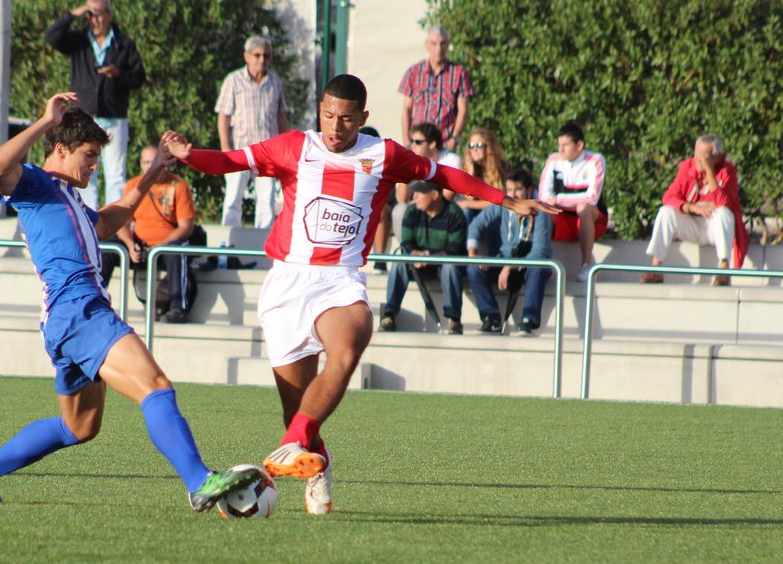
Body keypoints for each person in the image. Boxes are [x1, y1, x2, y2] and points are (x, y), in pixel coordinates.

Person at [164, 74, 556, 516]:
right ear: (320, 111)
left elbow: (444, 173)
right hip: (288, 284)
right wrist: (190, 155)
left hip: (340, 280)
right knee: (297, 408)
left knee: (348, 345)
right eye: (328, 116)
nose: (335, 127)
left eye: (347, 119)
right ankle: (316, 459)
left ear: (363, 117)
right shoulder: (294, 146)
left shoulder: (384, 154)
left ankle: (293, 443)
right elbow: (229, 161)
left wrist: (506, 201)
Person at [0, 92, 256, 511]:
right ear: (61, 150)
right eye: (89, 155)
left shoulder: (68, 197)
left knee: (79, 426)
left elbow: (111, 220)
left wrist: (154, 170)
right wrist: (46, 121)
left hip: (63, 320)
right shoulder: (36, 183)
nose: (95, 165)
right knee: (156, 386)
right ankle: (199, 481)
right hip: (81, 310)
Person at [45, 0, 146, 209]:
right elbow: (52, 37)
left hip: (114, 116)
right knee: (83, 168)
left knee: (115, 174)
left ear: (109, 14)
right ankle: (87, 215)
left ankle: (113, 219)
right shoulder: (79, 40)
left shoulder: (123, 43)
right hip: (84, 117)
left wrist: (118, 74)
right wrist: (75, 13)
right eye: (90, 15)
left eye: (98, 14)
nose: (94, 19)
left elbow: (139, 77)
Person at [639, 134, 747, 286]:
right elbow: (669, 197)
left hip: (713, 227)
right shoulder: (687, 167)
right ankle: (656, 268)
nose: (699, 159)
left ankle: (723, 270)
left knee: (724, 213)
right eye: (697, 153)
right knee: (666, 212)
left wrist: (709, 170)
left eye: (705, 155)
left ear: (717, 157)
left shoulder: (727, 170)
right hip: (691, 224)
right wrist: (692, 207)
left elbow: (723, 202)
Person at [115, 144, 197, 323]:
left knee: (176, 250)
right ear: (141, 165)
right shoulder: (133, 185)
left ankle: (178, 309)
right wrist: (130, 245)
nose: (149, 167)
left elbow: (186, 227)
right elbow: (121, 224)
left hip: (166, 246)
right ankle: (94, 303)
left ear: (163, 163)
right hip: (139, 246)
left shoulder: (178, 186)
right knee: (111, 248)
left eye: (153, 162)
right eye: (146, 163)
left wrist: (161, 245)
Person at [466, 167, 553, 335]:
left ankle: (528, 321)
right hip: (503, 262)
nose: (513, 194)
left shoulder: (540, 213)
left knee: (538, 268)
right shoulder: (500, 207)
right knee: (473, 268)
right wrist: (472, 254)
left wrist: (509, 267)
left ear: (529, 190)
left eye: (518, 189)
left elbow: (539, 252)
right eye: (509, 190)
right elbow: (475, 226)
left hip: (528, 264)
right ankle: (491, 319)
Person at [214, 36, 289, 228]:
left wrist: (285, 148)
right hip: (240, 149)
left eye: (266, 56)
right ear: (247, 56)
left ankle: (263, 241)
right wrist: (225, 148)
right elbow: (223, 116)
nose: (262, 60)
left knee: (266, 201)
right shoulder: (234, 80)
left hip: (267, 151)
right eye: (257, 55)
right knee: (233, 198)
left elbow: (281, 116)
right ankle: (229, 241)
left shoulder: (275, 82)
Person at [378, 180, 468, 335]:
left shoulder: (455, 213)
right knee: (399, 262)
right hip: (418, 263)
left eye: (420, 193)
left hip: (444, 264)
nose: (415, 197)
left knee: (451, 266)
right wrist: (415, 254)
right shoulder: (412, 211)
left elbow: (455, 248)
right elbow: (406, 242)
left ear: (434, 195)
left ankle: (454, 320)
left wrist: (429, 257)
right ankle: (389, 316)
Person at [371, 122, 460, 274]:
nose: (412, 145)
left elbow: (446, 196)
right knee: (400, 210)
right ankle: (408, 254)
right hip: (420, 208)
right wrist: (408, 169)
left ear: (432, 144)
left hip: (444, 211)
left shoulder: (450, 159)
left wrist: (422, 199)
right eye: (412, 141)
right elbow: (401, 198)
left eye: (417, 142)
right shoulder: (412, 160)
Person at [538, 122, 607, 282]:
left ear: (579, 145)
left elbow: (592, 198)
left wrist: (558, 199)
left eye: (565, 145)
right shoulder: (553, 160)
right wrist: (555, 201)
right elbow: (544, 197)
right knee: (543, 210)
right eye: (559, 144)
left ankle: (586, 266)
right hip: (563, 219)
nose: (560, 149)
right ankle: (541, 263)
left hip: (592, 221)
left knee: (584, 208)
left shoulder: (595, 160)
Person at [398, 26, 473, 150]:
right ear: (427, 45)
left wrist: (455, 138)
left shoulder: (459, 73)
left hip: (445, 143)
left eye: (442, 44)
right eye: (434, 44)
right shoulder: (414, 72)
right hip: (418, 144)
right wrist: (407, 140)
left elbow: (463, 110)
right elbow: (407, 108)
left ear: (448, 45)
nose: (438, 49)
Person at [458, 127, 509, 224]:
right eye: (471, 145)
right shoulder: (468, 167)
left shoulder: (501, 168)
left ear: (489, 147)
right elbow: (469, 197)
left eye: (479, 145)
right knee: (466, 212)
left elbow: (497, 202)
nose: (474, 149)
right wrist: (471, 173)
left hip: (495, 213)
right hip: (475, 213)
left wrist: (468, 204)